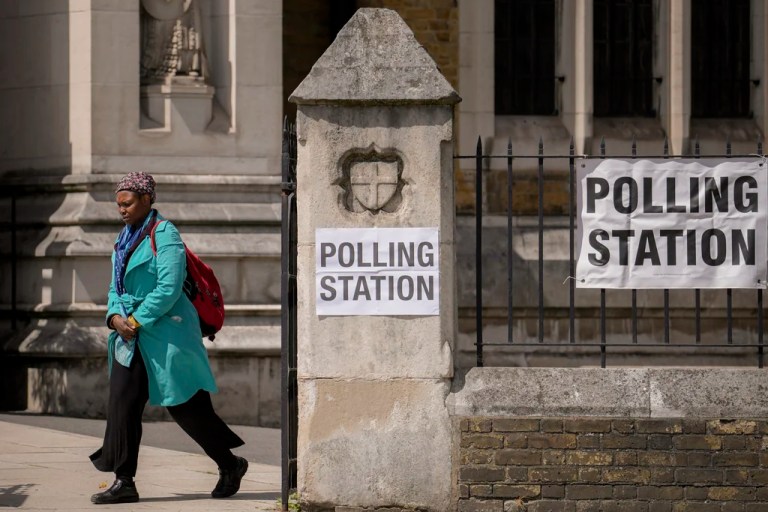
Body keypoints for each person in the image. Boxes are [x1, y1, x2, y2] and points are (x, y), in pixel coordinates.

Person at [89, 172, 246, 504]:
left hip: (168, 336)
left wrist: (135, 319)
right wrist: (114, 317)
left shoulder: (165, 233)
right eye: (118, 204)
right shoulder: (124, 238)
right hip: (130, 340)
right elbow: (115, 287)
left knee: (188, 409)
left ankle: (229, 464)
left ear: (147, 200)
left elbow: (169, 288)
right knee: (123, 404)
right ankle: (124, 480)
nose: (122, 210)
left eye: (127, 203)